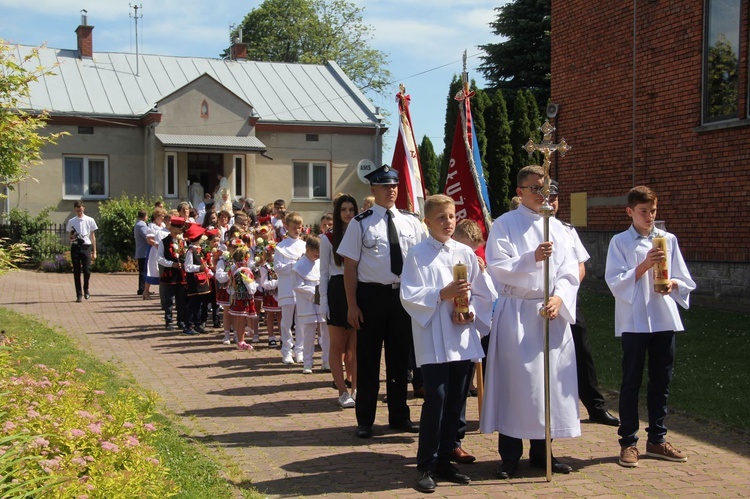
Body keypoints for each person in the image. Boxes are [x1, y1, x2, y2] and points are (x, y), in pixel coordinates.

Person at [480, 165, 580, 478]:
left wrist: (560, 297)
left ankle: (542, 452)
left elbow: (571, 270)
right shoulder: (505, 224)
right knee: (516, 384)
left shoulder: (560, 228)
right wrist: (532, 258)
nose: (543, 194)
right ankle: (509, 456)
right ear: (520, 191)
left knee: (547, 385)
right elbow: (497, 266)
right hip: (518, 313)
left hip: (550, 313)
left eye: (546, 188)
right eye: (536, 188)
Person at [400, 195, 494, 493]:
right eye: (441, 217)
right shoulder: (417, 254)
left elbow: (482, 294)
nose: (448, 222)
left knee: (456, 399)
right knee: (436, 398)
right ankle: (426, 464)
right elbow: (408, 295)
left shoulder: (464, 253)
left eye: (452, 216)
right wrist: (442, 294)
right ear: (427, 222)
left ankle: (445, 459)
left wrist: (471, 312)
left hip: (461, 336)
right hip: (433, 338)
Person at [605, 186, 696, 468]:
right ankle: (628, 442)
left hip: (663, 318)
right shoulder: (620, 242)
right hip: (634, 321)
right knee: (631, 381)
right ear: (630, 211)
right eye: (643, 211)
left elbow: (685, 279)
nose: (649, 216)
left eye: (653, 211)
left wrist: (674, 284)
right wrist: (644, 265)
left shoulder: (668, 239)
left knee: (661, 380)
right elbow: (614, 281)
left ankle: (657, 438)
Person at [337, 164, 425, 438]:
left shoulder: (411, 221)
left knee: (401, 361)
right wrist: (352, 305)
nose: (391, 191)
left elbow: (423, 260)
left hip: (403, 296)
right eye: (385, 186)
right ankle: (365, 419)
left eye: (394, 186)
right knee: (369, 360)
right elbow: (350, 267)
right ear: (373, 189)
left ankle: (400, 416)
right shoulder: (360, 223)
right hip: (371, 296)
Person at [550, 180, 620, 427]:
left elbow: (580, 266)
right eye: (546, 198)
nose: (550, 203)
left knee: (581, 351)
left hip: (567, 299)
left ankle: (595, 406)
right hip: (538, 302)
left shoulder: (568, 230)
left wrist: (566, 291)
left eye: (554, 198)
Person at [450, 218, 497, 465]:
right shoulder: (434, 255)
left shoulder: (474, 264)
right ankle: (436, 443)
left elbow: (486, 297)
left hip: (465, 332)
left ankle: (455, 442)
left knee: (460, 391)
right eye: (466, 247)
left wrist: (472, 312)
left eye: (473, 249)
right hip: (438, 331)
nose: (469, 253)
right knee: (440, 393)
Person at [320, 194, 358, 409]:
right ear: (337, 212)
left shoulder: (361, 235)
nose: (348, 213)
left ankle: (356, 389)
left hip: (358, 289)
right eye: (344, 209)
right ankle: (342, 391)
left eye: (351, 209)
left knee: (355, 346)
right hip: (336, 290)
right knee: (338, 346)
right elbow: (324, 273)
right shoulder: (328, 239)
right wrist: (324, 302)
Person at [275, 211, 307, 364]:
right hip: (287, 287)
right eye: (294, 227)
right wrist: (295, 264)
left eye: (300, 227)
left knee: (301, 321)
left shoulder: (305, 245)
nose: (297, 230)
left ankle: (299, 350)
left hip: (301, 288)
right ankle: (286, 351)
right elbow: (278, 268)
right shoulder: (280, 247)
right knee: (286, 322)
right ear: (287, 227)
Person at [292, 236, 327, 374]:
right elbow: (297, 285)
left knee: (326, 333)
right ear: (308, 249)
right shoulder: (299, 266)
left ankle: (326, 361)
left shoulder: (320, 262)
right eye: (315, 254)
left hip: (322, 302)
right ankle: (307, 363)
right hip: (307, 303)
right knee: (309, 335)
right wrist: (314, 293)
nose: (318, 257)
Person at [157, 216, 187, 331]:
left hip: (181, 274)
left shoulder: (183, 242)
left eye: (180, 230)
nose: (178, 232)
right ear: (171, 229)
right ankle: (169, 321)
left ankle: (181, 321)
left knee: (181, 299)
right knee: (169, 299)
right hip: (169, 274)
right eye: (176, 230)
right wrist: (171, 264)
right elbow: (159, 258)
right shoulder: (164, 242)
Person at [66, 200, 98, 302]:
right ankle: (79, 294)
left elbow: (93, 236)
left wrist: (94, 251)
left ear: (83, 208)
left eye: (81, 209)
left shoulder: (90, 220)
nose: (79, 211)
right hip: (76, 247)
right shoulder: (72, 221)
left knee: (87, 270)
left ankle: (86, 288)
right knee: (76, 272)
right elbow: (70, 236)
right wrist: (73, 237)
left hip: (86, 247)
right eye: (77, 210)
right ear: (75, 209)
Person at [228, 244, 258, 350]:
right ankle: (241, 340)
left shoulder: (234, 269)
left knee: (241, 319)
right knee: (241, 319)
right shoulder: (245, 271)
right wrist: (254, 286)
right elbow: (250, 287)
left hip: (238, 297)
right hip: (244, 298)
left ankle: (242, 338)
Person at [183, 224, 210, 336]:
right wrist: (200, 267)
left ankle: (197, 324)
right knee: (193, 303)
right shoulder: (191, 251)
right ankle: (188, 325)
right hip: (194, 281)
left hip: (201, 281)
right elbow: (188, 267)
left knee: (199, 303)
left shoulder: (199, 250)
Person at [144, 208, 168, 300]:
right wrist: (157, 244)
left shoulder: (162, 226)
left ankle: (162, 292)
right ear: (156, 217)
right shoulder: (151, 226)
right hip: (154, 250)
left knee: (161, 271)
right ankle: (146, 291)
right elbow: (149, 240)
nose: (163, 219)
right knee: (152, 269)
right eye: (161, 217)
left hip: (161, 250)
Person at [134, 209, 150, 297]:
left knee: (143, 270)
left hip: (141, 250)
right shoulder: (142, 225)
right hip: (143, 251)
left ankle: (142, 288)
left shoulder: (138, 224)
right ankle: (142, 288)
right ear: (145, 216)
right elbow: (146, 236)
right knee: (143, 271)